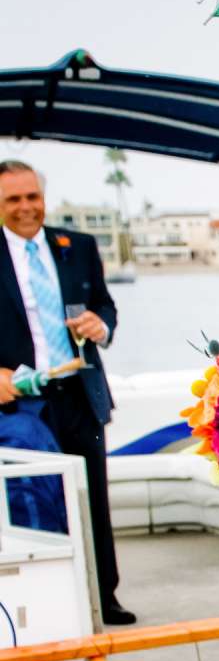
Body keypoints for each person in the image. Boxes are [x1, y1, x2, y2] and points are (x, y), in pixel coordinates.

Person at [0, 160, 134, 622]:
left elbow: (104, 304)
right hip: (19, 403)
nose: (25, 208)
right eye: (13, 199)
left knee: (92, 499)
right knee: (33, 501)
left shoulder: (76, 245)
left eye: (32, 197)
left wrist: (102, 324)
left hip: (80, 391)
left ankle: (105, 597)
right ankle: (48, 607)